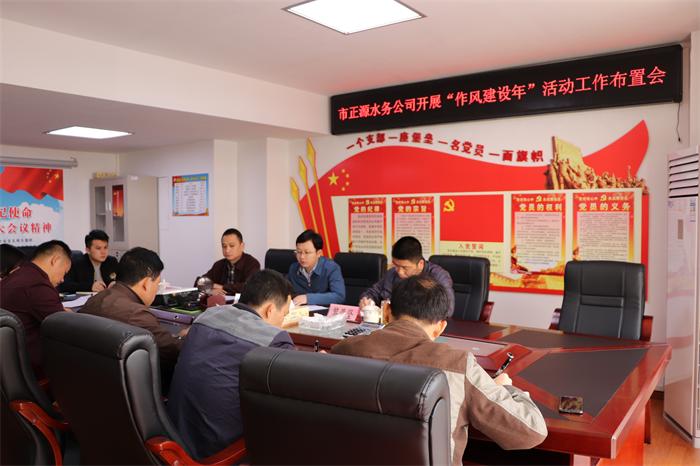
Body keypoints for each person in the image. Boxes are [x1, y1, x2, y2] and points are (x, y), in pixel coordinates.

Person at [333, 276, 547, 464]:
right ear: (440, 327)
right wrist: (505, 388)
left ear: (387, 312)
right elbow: (531, 431)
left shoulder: (343, 351)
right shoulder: (458, 364)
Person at [167, 270, 295, 460]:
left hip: (175, 440)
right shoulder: (273, 339)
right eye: (284, 314)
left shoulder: (206, 317)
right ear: (270, 309)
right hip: (218, 454)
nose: (282, 322)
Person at [80, 247, 186, 390]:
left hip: (93, 384)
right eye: (157, 284)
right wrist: (183, 337)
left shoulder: (95, 299)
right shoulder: (137, 314)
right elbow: (175, 352)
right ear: (146, 283)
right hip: (130, 389)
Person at [0, 240, 72, 377]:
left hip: (8, 364)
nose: (63, 279)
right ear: (55, 260)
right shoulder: (38, 284)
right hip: (29, 368)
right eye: (64, 272)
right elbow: (65, 329)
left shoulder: (19, 275)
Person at [359, 236, 455, 316]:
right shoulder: (392, 273)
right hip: (392, 325)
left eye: (405, 268)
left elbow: (447, 310)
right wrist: (366, 300)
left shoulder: (439, 277)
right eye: (395, 265)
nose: (399, 272)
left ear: (420, 264)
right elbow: (372, 292)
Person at [287, 229, 345, 306]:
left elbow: (339, 296)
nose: (302, 257)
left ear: (318, 253)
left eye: (307, 252)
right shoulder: (293, 268)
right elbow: (285, 291)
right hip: (301, 311)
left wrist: (308, 298)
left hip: (324, 312)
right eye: (299, 252)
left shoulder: (331, 268)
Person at [197, 228, 260, 295]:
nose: (227, 250)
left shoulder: (252, 263)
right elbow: (199, 281)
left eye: (232, 246)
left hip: (243, 301)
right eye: (224, 246)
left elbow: (250, 286)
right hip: (222, 301)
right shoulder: (219, 265)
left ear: (242, 246)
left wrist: (222, 287)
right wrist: (210, 290)